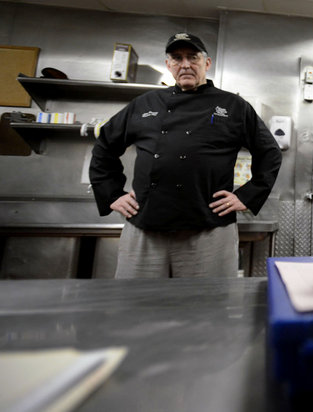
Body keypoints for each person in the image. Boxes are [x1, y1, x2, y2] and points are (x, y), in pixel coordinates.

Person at [89, 32, 282, 278]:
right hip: (145, 226)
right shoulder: (145, 104)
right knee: (135, 305)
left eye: (193, 57)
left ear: (207, 63)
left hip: (209, 229)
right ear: (168, 65)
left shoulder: (233, 106)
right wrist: (112, 194)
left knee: (207, 306)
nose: (186, 64)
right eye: (177, 58)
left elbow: (270, 152)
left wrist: (248, 195)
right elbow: (105, 145)